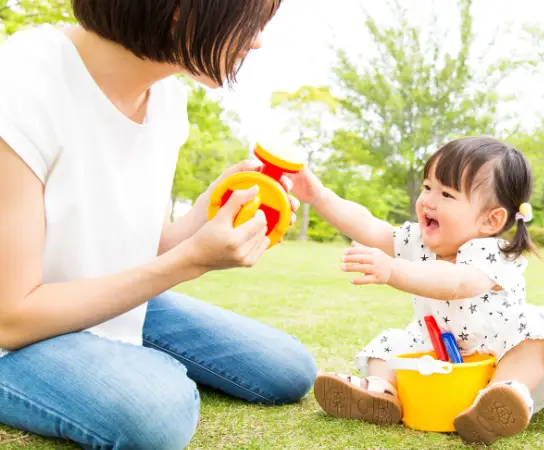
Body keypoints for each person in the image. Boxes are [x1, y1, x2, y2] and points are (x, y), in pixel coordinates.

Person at [0, 1, 317, 449]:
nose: (258, 39)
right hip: (17, 329)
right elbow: (10, 318)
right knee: (156, 412)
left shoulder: (166, 97)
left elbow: (145, 247)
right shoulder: (24, 78)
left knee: (289, 368)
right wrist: (191, 262)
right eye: (251, 19)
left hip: (98, 302)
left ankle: (112, 359)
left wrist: (206, 212)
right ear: (178, 9)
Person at [288, 136, 544, 444]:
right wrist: (318, 196)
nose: (428, 200)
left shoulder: (492, 252)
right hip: (439, 346)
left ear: (491, 220)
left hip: (497, 354)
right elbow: (369, 226)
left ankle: (504, 396)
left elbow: (454, 283)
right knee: (391, 343)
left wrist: (393, 270)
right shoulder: (419, 241)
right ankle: (381, 392)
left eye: (447, 195)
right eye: (427, 187)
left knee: (536, 337)